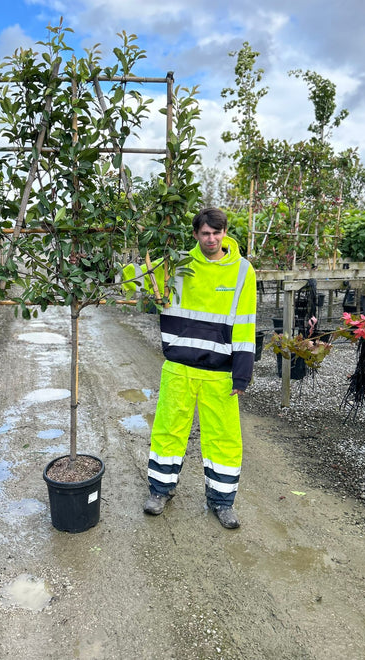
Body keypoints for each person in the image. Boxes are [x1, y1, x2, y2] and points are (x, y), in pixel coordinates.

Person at [123, 208, 256, 528]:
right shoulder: (177, 264)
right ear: (195, 234)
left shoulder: (242, 271)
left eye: (217, 232)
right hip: (179, 367)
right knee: (168, 430)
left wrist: (242, 371)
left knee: (224, 438)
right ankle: (160, 491)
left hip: (220, 373)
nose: (211, 239)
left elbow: (246, 322)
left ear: (225, 232)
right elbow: (133, 280)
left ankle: (222, 501)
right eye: (205, 233)